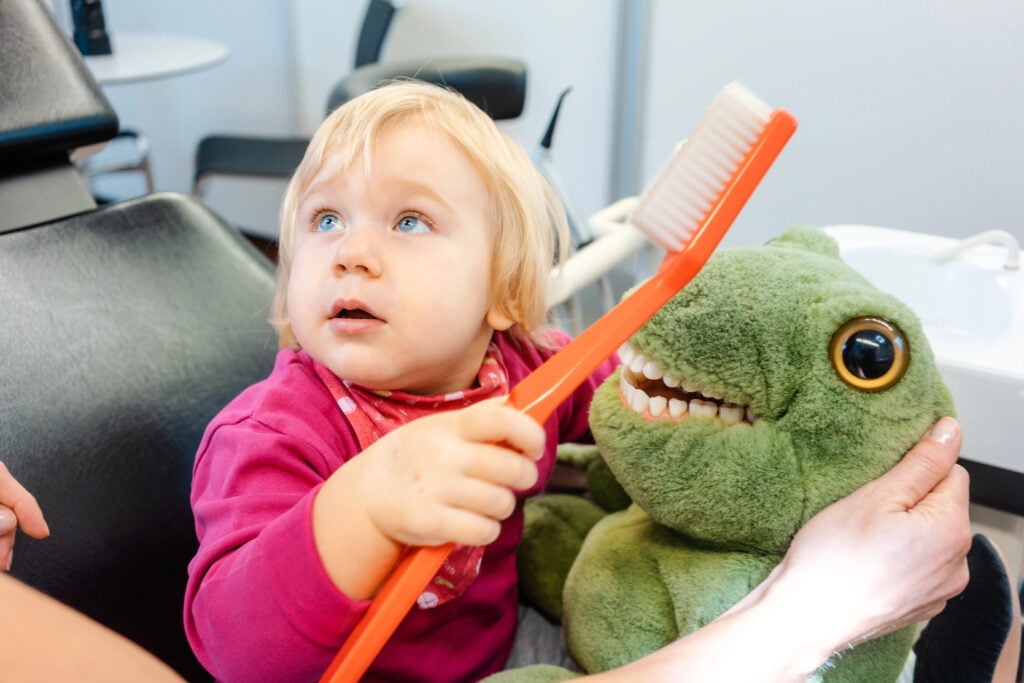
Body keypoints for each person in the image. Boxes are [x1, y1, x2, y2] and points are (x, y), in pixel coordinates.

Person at [183, 81, 972, 683]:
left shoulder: (526, 368)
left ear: (500, 294)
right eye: (324, 221)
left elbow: (631, 398)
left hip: (508, 649)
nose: (350, 252)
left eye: (409, 221)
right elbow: (235, 654)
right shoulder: (273, 433)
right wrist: (364, 501)